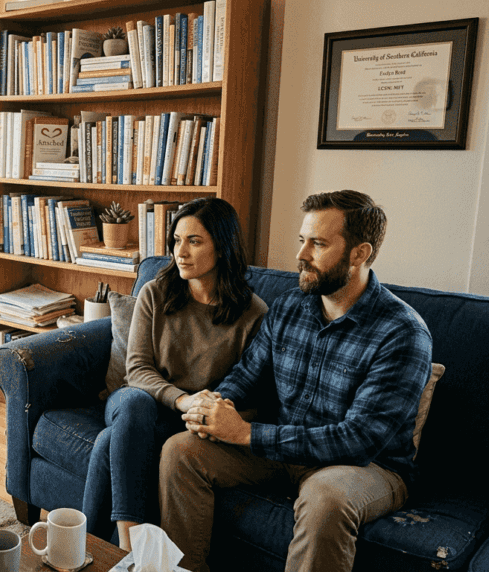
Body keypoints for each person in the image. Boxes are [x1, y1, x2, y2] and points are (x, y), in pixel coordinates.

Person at [159, 190, 433, 572]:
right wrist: (213, 407)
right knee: (181, 451)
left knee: (326, 497)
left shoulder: (402, 333)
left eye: (318, 244)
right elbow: (247, 375)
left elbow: (360, 439)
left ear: (360, 254)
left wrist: (248, 434)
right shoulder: (291, 307)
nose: (302, 255)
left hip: (368, 467)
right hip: (286, 449)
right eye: (302, 240)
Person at [82, 198, 268, 551]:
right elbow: (137, 370)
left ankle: (86, 548)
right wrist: (182, 399)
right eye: (176, 240)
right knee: (135, 406)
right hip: (139, 403)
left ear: (223, 246)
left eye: (194, 241)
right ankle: (129, 547)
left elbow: (254, 394)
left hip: (191, 423)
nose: (180, 252)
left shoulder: (253, 314)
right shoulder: (156, 292)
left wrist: (202, 413)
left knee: (108, 443)